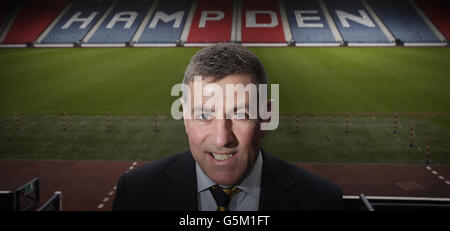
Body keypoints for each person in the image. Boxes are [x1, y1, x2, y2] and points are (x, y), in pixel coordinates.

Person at [113, 43, 343, 211]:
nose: (222, 139)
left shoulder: (322, 201)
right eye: (204, 114)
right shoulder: (135, 193)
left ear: (266, 116)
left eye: (240, 114)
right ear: (184, 117)